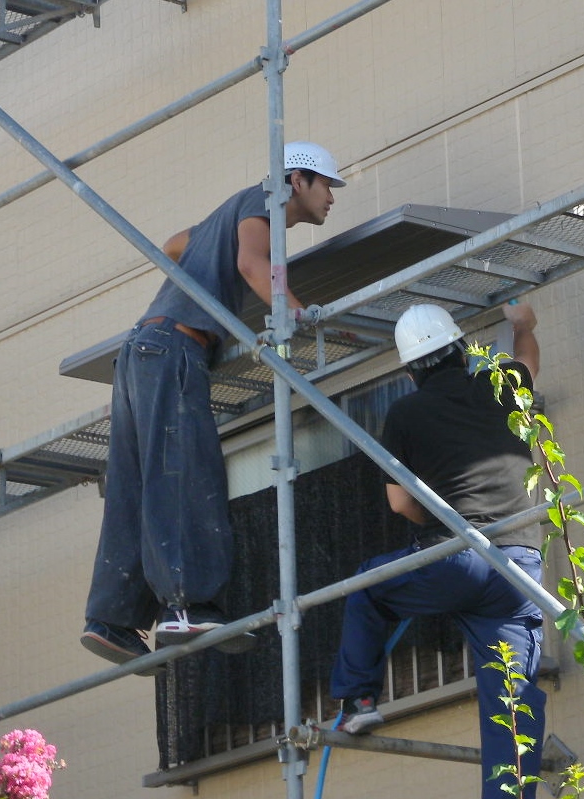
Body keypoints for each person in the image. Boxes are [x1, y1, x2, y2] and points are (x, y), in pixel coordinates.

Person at [81, 142, 346, 670]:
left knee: (137, 485)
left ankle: (113, 618)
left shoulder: (234, 212)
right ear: (297, 181)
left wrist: (211, 250)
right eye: (327, 186)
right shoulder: (261, 201)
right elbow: (253, 264)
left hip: (141, 352)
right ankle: (187, 607)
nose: (332, 199)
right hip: (175, 349)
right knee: (185, 472)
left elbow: (174, 244)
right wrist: (299, 315)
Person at [330, 301, 546, 799]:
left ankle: (359, 702)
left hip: (457, 555)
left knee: (367, 588)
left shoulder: (405, 413)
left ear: (410, 370)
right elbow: (529, 362)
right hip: (519, 567)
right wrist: (524, 327)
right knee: (511, 702)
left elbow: (400, 501)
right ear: (461, 351)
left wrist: (442, 524)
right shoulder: (503, 382)